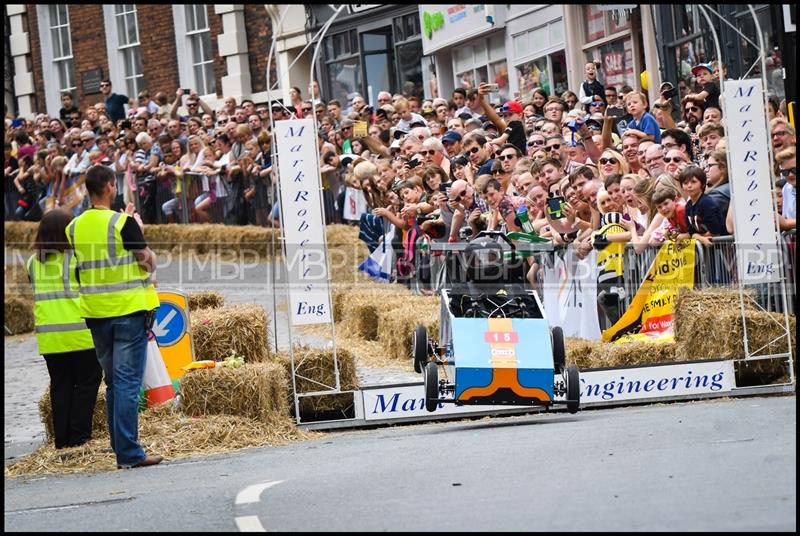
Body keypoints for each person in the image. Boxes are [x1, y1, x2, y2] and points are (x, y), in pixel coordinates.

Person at [66, 165, 162, 469]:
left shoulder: (74, 226)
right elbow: (148, 264)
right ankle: (130, 453)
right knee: (127, 384)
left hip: (95, 314)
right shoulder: (122, 223)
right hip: (128, 311)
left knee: (114, 383)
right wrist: (138, 229)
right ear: (110, 186)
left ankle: (120, 448)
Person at [28, 209, 102, 449]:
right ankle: (79, 434)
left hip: (50, 338)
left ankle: (62, 439)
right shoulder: (76, 258)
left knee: (60, 386)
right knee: (88, 382)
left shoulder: (32, 263)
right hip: (79, 332)